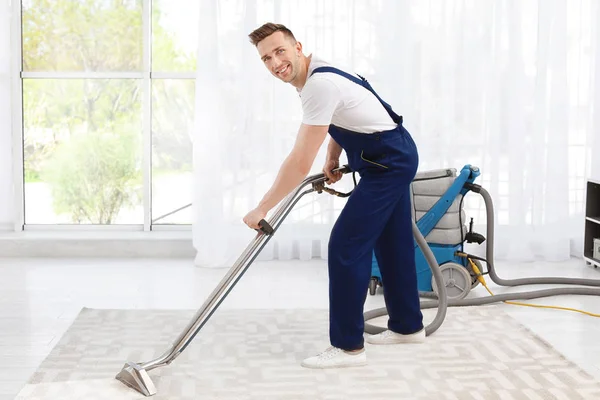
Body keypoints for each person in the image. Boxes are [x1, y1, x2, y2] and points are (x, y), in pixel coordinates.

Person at [243, 22, 425, 369]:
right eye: (266, 58)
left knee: (345, 246)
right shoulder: (315, 73)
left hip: (387, 162)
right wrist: (333, 156)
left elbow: (298, 162)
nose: (275, 62)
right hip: (388, 154)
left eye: (280, 51)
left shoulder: (318, 85)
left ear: (298, 46)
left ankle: (348, 348)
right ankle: (407, 326)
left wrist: (262, 207)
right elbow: (340, 119)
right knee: (392, 241)